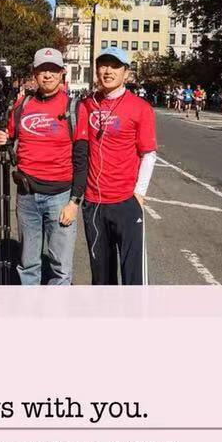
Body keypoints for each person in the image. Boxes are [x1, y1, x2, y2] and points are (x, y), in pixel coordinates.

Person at [0, 47, 86, 286]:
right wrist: (3, 140)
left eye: (53, 70)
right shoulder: (22, 106)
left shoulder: (74, 108)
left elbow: (81, 159)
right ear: (34, 73)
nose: (47, 75)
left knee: (60, 268)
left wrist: (74, 202)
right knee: (28, 264)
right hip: (26, 197)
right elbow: (10, 139)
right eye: (42, 70)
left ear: (62, 73)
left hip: (60, 198)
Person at [74, 50, 156, 285]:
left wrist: (139, 194)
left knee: (133, 275)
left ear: (126, 73)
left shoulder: (140, 107)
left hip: (126, 201)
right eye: (103, 66)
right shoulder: (87, 104)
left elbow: (149, 153)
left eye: (115, 66)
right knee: (101, 276)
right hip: (94, 202)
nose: (108, 71)